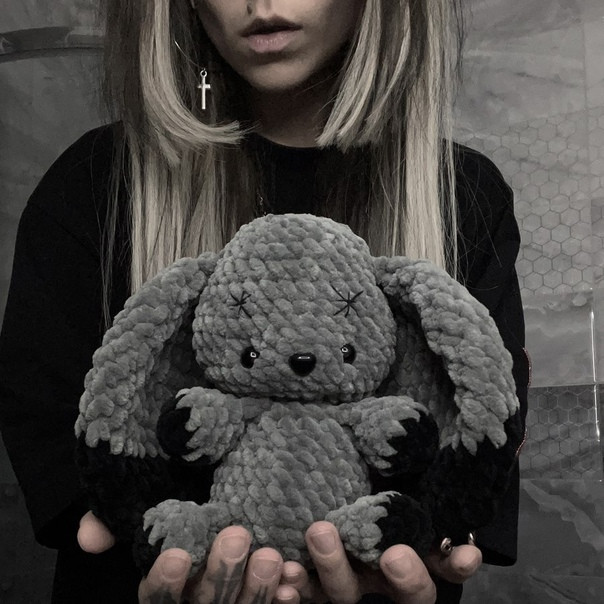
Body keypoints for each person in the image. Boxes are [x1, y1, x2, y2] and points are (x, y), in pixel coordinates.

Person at [0, 0, 529, 603]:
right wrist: (119, 518)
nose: (262, 4)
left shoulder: (463, 195)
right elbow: (46, 414)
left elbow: (482, 423)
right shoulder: (95, 181)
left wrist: (438, 532)